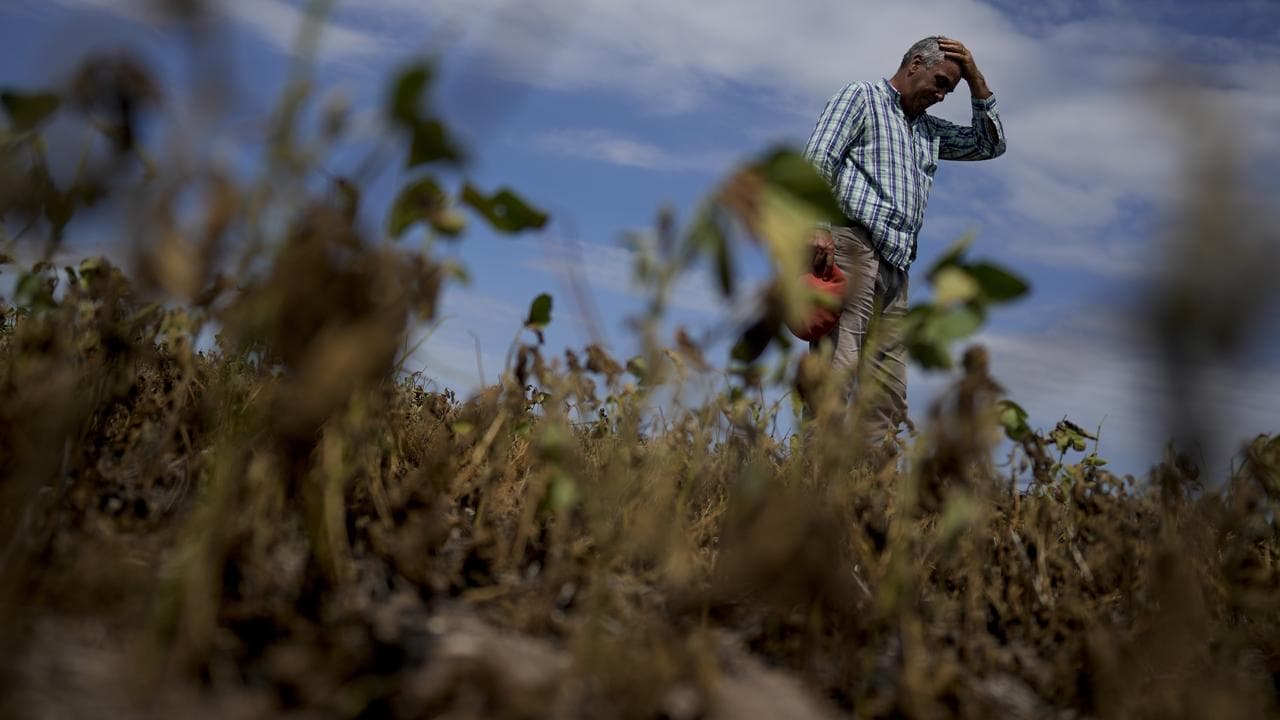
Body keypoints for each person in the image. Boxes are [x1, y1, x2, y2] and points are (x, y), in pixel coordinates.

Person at [802, 35, 1006, 446]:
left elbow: (989, 144)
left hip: (898, 267)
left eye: (951, 87)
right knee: (836, 371)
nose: (943, 94)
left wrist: (975, 79)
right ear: (915, 64)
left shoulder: (929, 131)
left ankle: (870, 496)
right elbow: (819, 157)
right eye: (942, 82)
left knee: (888, 392)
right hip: (850, 248)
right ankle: (811, 485)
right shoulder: (862, 97)